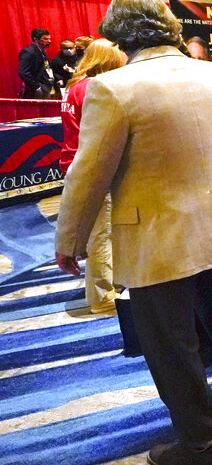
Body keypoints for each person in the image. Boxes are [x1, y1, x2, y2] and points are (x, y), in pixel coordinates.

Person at [54, 0, 212, 465]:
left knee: (169, 341)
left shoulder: (114, 88)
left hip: (155, 235)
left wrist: (69, 240)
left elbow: (88, 175)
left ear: (118, 35)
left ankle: (201, 440)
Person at [58, 38, 125, 314]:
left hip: (74, 161)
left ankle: (108, 283)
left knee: (98, 230)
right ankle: (102, 296)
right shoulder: (95, 88)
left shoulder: (75, 86)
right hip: (91, 165)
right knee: (103, 232)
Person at [18, 28, 56, 99]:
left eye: (49, 38)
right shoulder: (28, 51)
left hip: (46, 87)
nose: (49, 41)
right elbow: (23, 72)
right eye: (45, 39)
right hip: (35, 90)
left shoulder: (42, 51)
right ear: (36, 39)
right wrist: (36, 87)